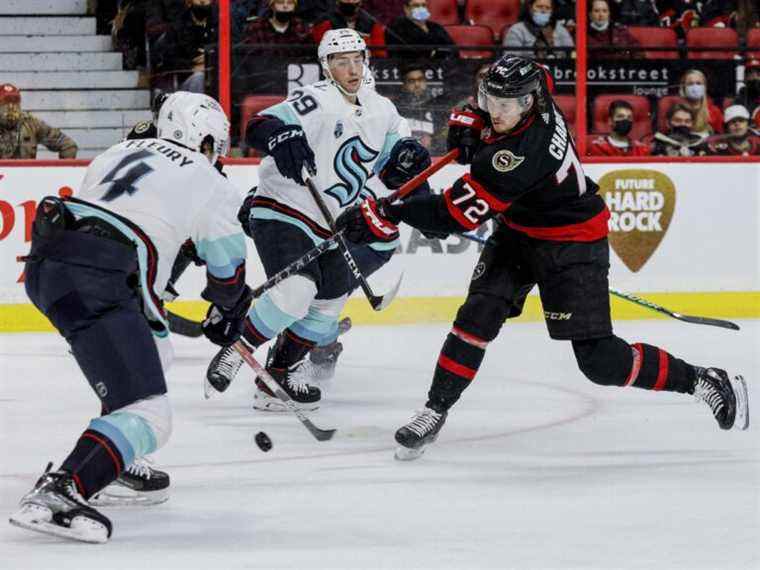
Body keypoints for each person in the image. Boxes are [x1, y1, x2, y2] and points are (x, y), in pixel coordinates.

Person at [334, 55, 750, 461]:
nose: (494, 111)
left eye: (504, 106)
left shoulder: (522, 155)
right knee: (475, 317)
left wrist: (387, 211)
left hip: (572, 243)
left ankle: (701, 379)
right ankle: (434, 409)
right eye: (488, 100)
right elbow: (517, 88)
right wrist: (476, 119)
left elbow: (452, 217)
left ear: (529, 103)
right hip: (518, 233)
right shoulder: (537, 90)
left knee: (601, 362)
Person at [9, 92, 251, 542]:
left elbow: (131, 213)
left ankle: (114, 462)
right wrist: (230, 308)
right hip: (103, 275)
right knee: (152, 413)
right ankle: (64, 489)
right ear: (205, 140)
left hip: (48, 264)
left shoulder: (119, 150)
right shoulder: (210, 180)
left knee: (154, 355)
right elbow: (229, 268)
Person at [204, 28, 432, 411]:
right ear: (327, 67)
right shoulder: (317, 99)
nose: (352, 68)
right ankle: (237, 348)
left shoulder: (384, 111)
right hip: (284, 209)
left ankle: (276, 377)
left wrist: (414, 176)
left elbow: (399, 168)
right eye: (341, 61)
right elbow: (259, 124)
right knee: (296, 292)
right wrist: (282, 136)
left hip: (330, 226)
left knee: (328, 302)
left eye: (357, 59)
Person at [152, 0, 217, 93]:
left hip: (216, 76)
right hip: (186, 80)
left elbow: (231, 49)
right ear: (189, 2)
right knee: (199, 78)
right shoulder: (177, 26)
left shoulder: (220, 21)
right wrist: (192, 66)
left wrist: (209, 59)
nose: (203, 1)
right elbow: (169, 60)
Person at [0, 83, 78, 159]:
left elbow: (68, 145)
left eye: (15, 101)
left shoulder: (32, 124)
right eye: (5, 102)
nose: (11, 107)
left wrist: (64, 171)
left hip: (26, 172)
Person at [385, 0, 459, 60]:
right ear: (406, 9)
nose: (421, 9)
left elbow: (453, 50)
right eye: (416, 6)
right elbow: (410, 53)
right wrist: (435, 52)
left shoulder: (436, 27)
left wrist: (434, 53)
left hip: (441, 70)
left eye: (423, 5)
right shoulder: (396, 27)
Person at [503, 0, 574, 59]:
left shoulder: (560, 29)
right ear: (530, 8)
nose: (543, 10)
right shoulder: (516, 30)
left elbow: (571, 54)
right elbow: (511, 59)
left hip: (558, 71)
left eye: (547, 8)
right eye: (539, 7)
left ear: (552, 11)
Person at [312, 0, 386, 56]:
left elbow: (380, 53)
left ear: (360, 3)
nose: (349, 2)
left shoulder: (371, 23)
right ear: (337, 2)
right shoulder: (324, 21)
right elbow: (322, 50)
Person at [243, 0, 314, 57]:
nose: (285, 6)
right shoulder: (257, 28)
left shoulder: (302, 28)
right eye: (280, 2)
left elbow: (308, 59)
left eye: (290, 3)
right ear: (272, 6)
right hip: (265, 72)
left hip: (294, 73)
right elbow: (250, 60)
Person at [679, 69, 723, 136]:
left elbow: (720, 137)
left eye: (698, 83)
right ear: (683, 88)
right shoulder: (677, 111)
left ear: (704, 87)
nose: (695, 87)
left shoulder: (715, 111)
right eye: (690, 84)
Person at [736, 58, 760, 129]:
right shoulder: (741, 98)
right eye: (750, 73)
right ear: (745, 77)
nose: (754, 76)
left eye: (758, 73)